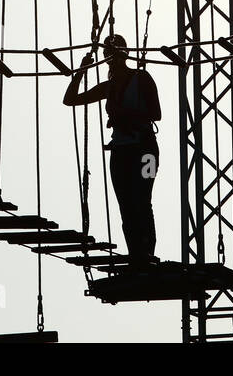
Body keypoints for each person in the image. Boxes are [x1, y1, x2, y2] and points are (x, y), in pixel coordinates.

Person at [63, 34, 161, 262]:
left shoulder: (141, 78)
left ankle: (146, 252)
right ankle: (136, 254)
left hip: (145, 150)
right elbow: (70, 99)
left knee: (142, 199)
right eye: (109, 55)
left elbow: (156, 113)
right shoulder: (109, 87)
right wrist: (82, 71)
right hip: (122, 152)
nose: (112, 59)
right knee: (126, 204)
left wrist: (125, 117)